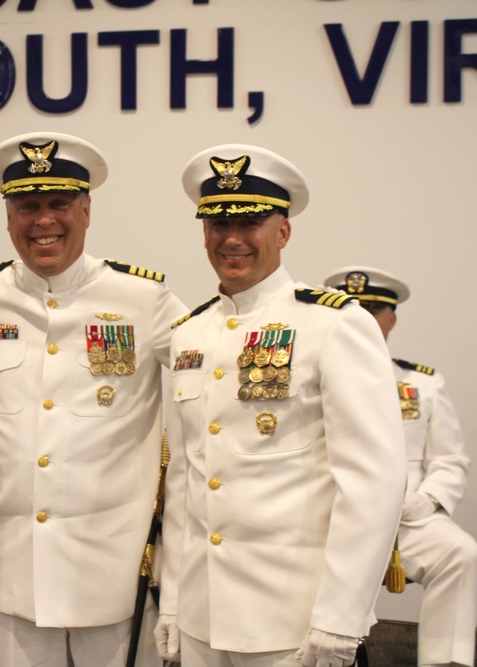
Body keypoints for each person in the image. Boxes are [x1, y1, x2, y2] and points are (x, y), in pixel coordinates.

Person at [156, 144, 406, 667]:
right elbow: (185, 481)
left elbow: (371, 482)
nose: (231, 238)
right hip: (204, 616)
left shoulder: (334, 323)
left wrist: (341, 617)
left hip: (292, 619)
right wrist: (175, 602)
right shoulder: (189, 334)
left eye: (249, 222)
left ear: (283, 232)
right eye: (217, 222)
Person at [0, 132, 186, 667]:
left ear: (86, 209)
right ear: (7, 215)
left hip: (113, 568)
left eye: (59, 204)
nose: (43, 221)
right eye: (27, 206)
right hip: (11, 570)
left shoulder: (142, 299)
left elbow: (215, 369)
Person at [324, 266, 477, 667]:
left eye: (374, 310)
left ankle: (446, 661)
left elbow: (450, 459)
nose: (364, 319)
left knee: (460, 554)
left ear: (391, 318)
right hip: (331, 520)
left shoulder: (423, 384)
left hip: (408, 522)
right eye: (353, 308)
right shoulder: (310, 375)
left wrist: (428, 501)